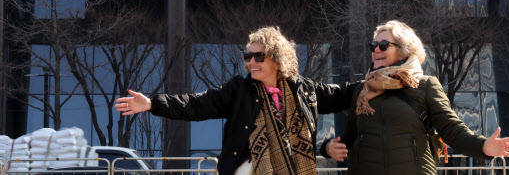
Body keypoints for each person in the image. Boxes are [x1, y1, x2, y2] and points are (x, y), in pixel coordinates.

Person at [115, 26, 358, 175]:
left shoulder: (303, 90)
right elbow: (196, 104)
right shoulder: (239, 89)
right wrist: (152, 103)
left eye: (258, 56)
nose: (251, 61)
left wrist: (383, 78)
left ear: (277, 59)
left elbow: (345, 94)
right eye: (248, 56)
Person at [321, 20, 509, 175]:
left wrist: (484, 146)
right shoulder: (363, 91)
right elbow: (351, 139)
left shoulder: (426, 86)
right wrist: (328, 148)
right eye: (373, 45)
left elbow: (452, 130)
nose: (376, 51)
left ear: (403, 49)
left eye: (383, 45)